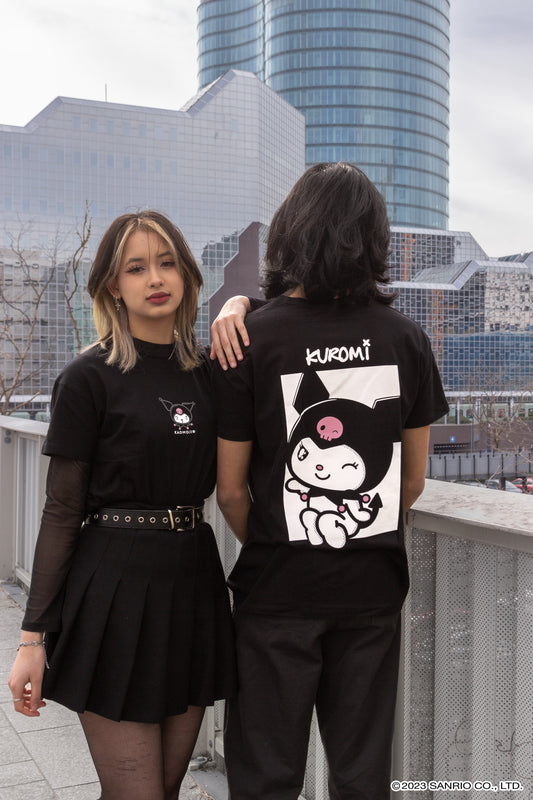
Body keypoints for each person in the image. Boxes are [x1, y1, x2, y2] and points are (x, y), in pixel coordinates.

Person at [214, 162, 449, 800]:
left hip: (276, 590)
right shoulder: (406, 339)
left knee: (266, 776)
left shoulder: (249, 339)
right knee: (361, 776)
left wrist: (280, 538)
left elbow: (229, 490)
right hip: (370, 589)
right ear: (373, 238)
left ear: (290, 230)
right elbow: (412, 480)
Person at [8, 210, 248, 800]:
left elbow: (286, 317)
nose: (155, 278)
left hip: (192, 585)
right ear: (113, 285)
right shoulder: (87, 377)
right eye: (136, 268)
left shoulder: (209, 372)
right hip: (112, 590)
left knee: (165, 790)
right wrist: (32, 640)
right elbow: (61, 511)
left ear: (187, 274)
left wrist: (242, 303)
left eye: (167, 263)